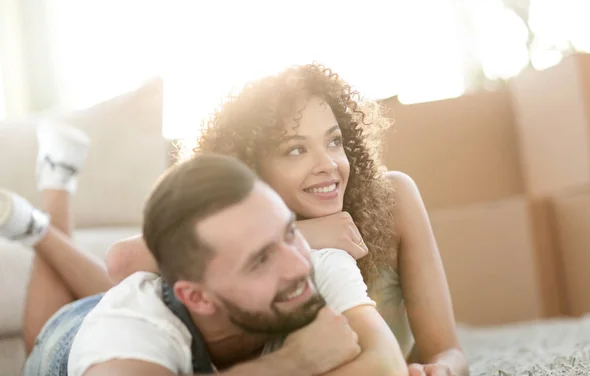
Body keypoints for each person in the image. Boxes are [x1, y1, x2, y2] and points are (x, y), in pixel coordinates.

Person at [107, 64, 469, 376]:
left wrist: (440, 369)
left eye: (334, 141)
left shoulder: (394, 198)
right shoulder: (234, 232)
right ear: (249, 168)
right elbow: (124, 260)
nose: (327, 164)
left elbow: (447, 350)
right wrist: (304, 235)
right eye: (296, 149)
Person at [1, 128, 406, 374]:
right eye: (260, 259)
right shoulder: (131, 322)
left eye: (289, 233)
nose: (299, 264)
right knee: (45, 334)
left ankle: (37, 223)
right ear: (195, 295)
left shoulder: (320, 262)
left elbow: (386, 367)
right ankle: (46, 210)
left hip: (135, 311)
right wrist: (295, 364)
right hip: (78, 338)